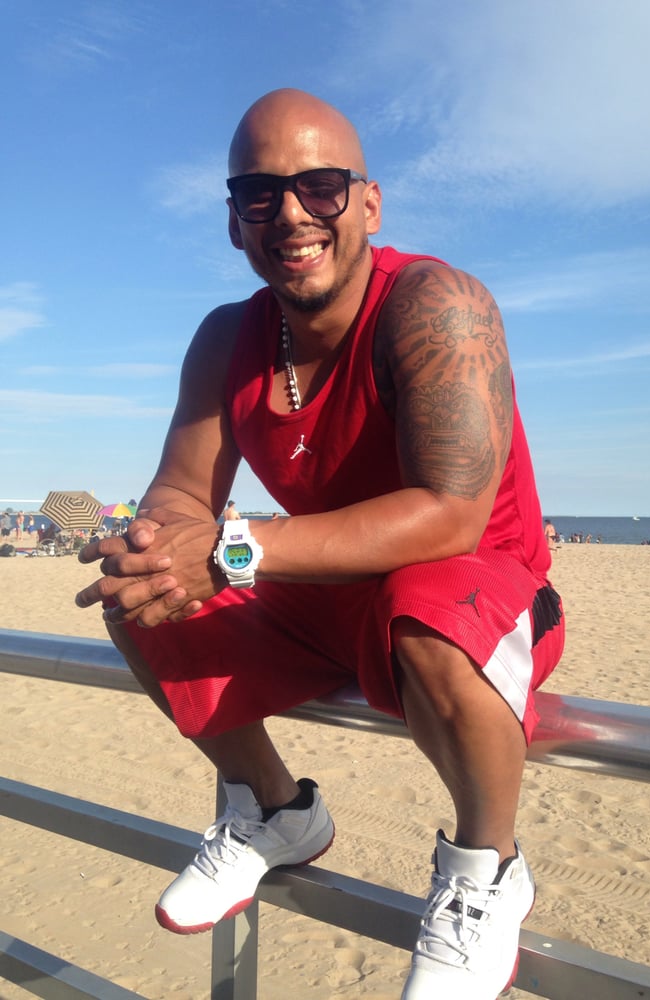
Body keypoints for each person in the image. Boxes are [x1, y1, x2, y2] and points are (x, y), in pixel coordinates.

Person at [75, 88, 564, 999]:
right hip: (330, 588)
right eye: (261, 194)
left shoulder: (437, 304)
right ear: (235, 221)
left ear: (368, 204)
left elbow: (452, 513)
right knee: (141, 596)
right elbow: (182, 489)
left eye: (322, 187)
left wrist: (231, 551)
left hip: (474, 589)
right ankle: (274, 809)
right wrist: (152, 540)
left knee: (424, 609)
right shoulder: (227, 338)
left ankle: (486, 870)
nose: (293, 214)